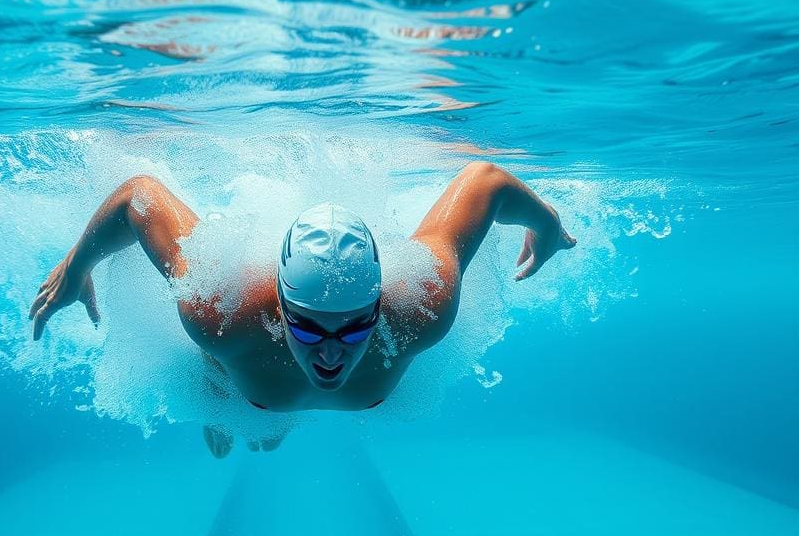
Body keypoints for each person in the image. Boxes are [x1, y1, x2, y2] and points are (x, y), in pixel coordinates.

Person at [30, 162, 575, 457]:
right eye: (310, 329)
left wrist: (547, 223)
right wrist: (77, 268)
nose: (334, 353)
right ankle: (238, 423)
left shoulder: (421, 307)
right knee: (253, 424)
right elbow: (138, 195)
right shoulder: (223, 312)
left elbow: (486, 181)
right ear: (279, 311)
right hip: (237, 385)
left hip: (262, 384)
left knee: (268, 421)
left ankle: (255, 424)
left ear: (382, 303)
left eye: (358, 326)